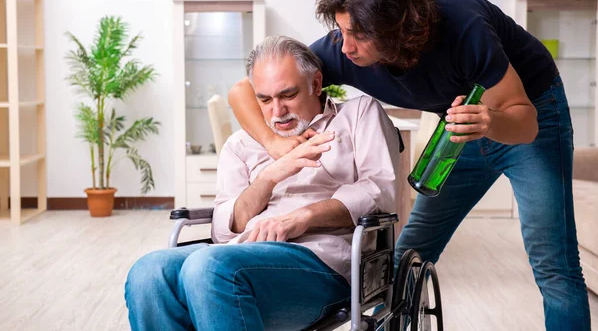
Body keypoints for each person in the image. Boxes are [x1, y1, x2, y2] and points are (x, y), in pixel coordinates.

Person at [227, 0, 591, 330]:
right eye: (341, 31)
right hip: (460, 127)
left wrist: (490, 120)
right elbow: (242, 89)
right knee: (404, 257)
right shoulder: (343, 48)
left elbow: (524, 122)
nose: (345, 47)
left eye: (358, 34)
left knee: (554, 263)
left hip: (527, 114)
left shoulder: (464, 26)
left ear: (396, 27)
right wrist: (273, 144)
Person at [125, 35, 400, 331]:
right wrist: (269, 176)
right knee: (148, 272)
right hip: (237, 253)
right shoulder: (240, 145)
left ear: (316, 84)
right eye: (265, 99)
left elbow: (379, 191)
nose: (277, 111)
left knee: (208, 267)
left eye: (288, 95)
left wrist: (303, 218)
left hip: (322, 262)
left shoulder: (358, 115)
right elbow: (222, 229)